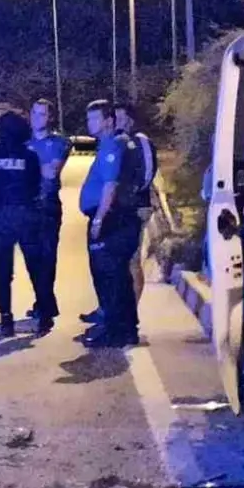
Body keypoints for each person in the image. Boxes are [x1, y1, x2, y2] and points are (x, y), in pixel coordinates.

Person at [77, 100, 146, 348]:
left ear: (108, 121)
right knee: (119, 277)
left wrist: (99, 219)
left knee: (109, 278)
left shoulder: (111, 146)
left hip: (110, 220)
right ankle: (126, 329)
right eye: (89, 119)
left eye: (95, 119)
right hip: (117, 219)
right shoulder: (114, 144)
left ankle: (114, 331)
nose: (90, 123)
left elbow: (110, 185)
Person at [0, 112, 58, 337]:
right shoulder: (30, 156)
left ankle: (6, 318)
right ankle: (44, 315)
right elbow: (37, 183)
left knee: (3, 271)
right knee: (36, 268)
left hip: (1, 216)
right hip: (27, 215)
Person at [24, 98, 69, 322]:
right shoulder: (23, 142)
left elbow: (52, 173)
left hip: (47, 205)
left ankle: (45, 305)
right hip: (27, 206)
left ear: (50, 117)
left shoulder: (59, 142)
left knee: (47, 256)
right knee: (32, 258)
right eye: (34, 113)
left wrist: (25, 166)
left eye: (42, 114)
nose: (36, 118)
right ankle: (44, 302)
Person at [115, 102, 159, 304]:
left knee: (132, 260)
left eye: (121, 118)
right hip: (120, 209)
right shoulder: (117, 141)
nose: (117, 122)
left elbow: (148, 172)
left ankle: (131, 309)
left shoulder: (141, 141)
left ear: (130, 120)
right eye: (115, 118)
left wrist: (132, 193)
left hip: (137, 208)